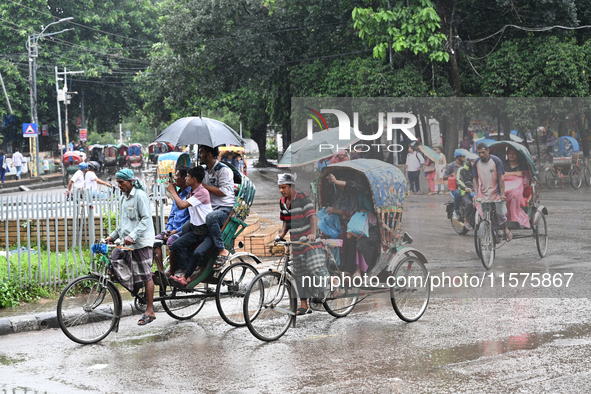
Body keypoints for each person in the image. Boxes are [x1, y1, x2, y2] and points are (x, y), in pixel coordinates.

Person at [105, 169, 156, 326]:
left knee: (146, 275)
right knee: (114, 259)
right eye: (118, 182)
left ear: (131, 181)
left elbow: (146, 219)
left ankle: (150, 310)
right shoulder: (123, 198)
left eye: (121, 182)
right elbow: (123, 224)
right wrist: (112, 236)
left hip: (141, 242)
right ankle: (135, 287)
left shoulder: (139, 195)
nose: (119, 185)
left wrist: (132, 236)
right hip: (126, 242)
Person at [276, 173, 329, 316]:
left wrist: (312, 233)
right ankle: (304, 305)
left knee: (314, 269)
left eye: (284, 187)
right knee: (299, 274)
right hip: (297, 243)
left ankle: (331, 284)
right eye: (280, 187)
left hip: (310, 242)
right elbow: (286, 221)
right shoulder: (282, 201)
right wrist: (281, 235)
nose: (281, 190)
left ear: (292, 186)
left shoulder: (302, 197)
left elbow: (312, 216)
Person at [168, 166, 213, 287]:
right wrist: (175, 190)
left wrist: (172, 191)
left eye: (187, 176)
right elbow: (180, 203)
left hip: (207, 232)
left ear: (193, 179)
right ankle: (185, 271)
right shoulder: (192, 192)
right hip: (196, 230)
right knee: (176, 244)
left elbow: (182, 205)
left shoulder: (202, 192)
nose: (185, 178)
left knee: (198, 253)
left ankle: (187, 274)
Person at [199, 145, 235, 269]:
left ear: (209, 154)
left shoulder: (223, 170)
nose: (199, 155)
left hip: (225, 207)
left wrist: (203, 186)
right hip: (211, 207)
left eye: (201, 152)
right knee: (189, 224)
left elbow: (224, 191)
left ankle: (222, 249)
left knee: (211, 218)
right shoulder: (203, 171)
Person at [153, 167, 192, 275]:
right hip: (172, 230)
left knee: (171, 241)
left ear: (184, 178)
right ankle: (161, 271)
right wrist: (168, 229)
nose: (174, 178)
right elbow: (172, 215)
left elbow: (190, 219)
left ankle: (172, 270)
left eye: (177, 176)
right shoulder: (177, 194)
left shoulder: (190, 195)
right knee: (155, 241)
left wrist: (176, 231)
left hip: (183, 230)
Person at [472, 143, 511, 241]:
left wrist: (502, 194)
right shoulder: (476, 162)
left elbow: (501, 178)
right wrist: (476, 194)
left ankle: (505, 229)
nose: (481, 155)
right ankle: (490, 232)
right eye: (479, 153)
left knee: (501, 215)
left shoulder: (496, 161)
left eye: (483, 152)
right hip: (484, 193)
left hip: (496, 193)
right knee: (485, 216)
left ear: (488, 151)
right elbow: (475, 179)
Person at [502, 147, 530, 228]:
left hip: (517, 187)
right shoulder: (503, 164)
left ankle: (515, 216)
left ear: (517, 155)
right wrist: (516, 173)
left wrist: (516, 175)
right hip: (505, 186)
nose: (511, 155)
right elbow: (501, 175)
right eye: (510, 153)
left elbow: (524, 177)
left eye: (513, 154)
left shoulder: (522, 165)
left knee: (515, 192)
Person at [444, 150, 466, 219]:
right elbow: (444, 177)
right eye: (463, 156)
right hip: (455, 187)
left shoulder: (465, 165)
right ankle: (456, 210)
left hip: (463, 186)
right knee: (457, 193)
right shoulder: (451, 166)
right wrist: (451, 175)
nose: (464, 158)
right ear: (458, 157)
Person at [456, 157, 475, 230]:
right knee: (469, 203)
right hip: (464, 192)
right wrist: (465, 188)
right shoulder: (462, 169)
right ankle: (466, 220)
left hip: (475, 191)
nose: (474, 163)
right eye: (472, 161)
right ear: (468, 162)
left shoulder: (477, 170)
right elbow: (459, 180)